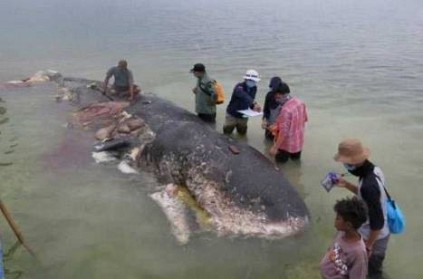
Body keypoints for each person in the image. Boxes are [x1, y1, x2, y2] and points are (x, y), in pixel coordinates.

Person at [334, 139, 390, 278]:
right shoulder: (374, 170)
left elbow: (377, 223)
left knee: (372, 273)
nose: (345, 166)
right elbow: (367, 196)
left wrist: (368, 246)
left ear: (353, 163)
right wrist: (347, 184)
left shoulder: (368, 186)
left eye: (345, 163)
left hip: (374, 237)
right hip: (379, 232)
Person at [320, 197, 368, 279]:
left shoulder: (358, 253)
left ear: (348, 225)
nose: (335, 220)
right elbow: (332, 248)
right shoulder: (341, 233)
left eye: (338, 218)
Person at [269, 82, 308, 163]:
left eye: (277, 97)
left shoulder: (286, 110)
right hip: (298, 141)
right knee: (296, 163)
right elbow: (304, 119)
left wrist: (275, 147)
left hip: (286, 144)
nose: (276, 99)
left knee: (280, 165)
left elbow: (284, 132)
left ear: (280, 95)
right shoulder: (299, 102)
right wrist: (277, 124)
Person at [223, 69, 261, 135]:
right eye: (251, 80)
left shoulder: (254, 88)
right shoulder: (239, 87)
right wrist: (255, 103)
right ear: (246, 79)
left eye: (254, 81)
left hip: (244, 115)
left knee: (242, 133)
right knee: (227, 132)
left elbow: (250, 99)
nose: (253, 82)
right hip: (232, 114)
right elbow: (243, 95)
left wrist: (253, 107)